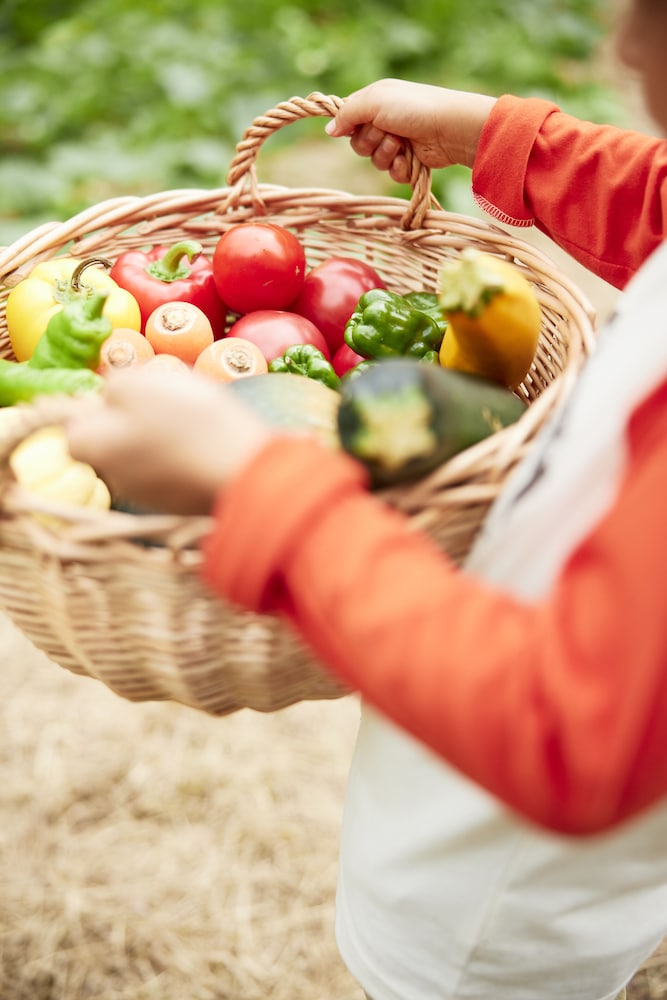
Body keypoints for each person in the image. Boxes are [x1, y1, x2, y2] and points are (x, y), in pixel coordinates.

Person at [64, 1, 667, 997]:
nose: (622, 44)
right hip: (461, 740)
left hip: (514, 906)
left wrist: (260, 483)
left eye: (650, 18)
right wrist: (502, 140)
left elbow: (575, 737)